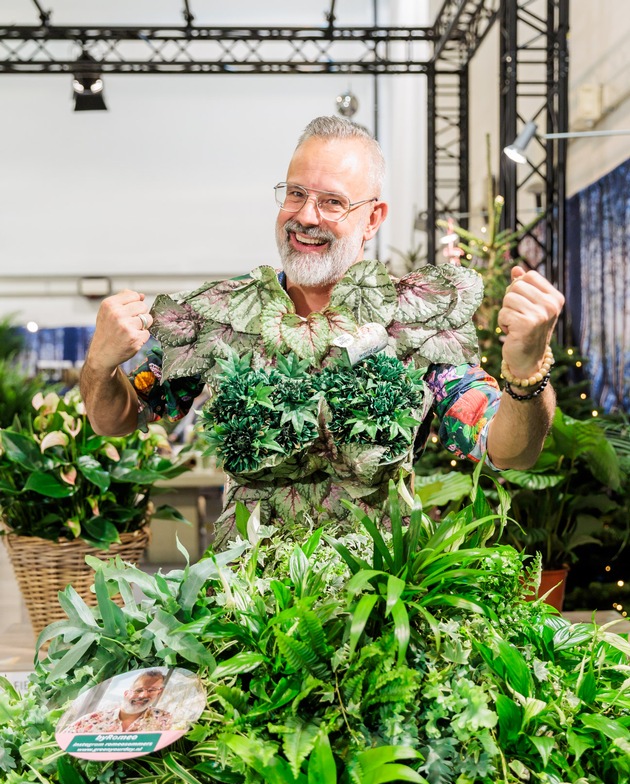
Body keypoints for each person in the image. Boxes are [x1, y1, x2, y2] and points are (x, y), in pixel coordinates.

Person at [80, 116, 564, 544]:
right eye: (296, 193)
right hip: (248, 607)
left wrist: (525, 374)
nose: (306, 216)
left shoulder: (416, 317)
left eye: (333, 202)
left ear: (372, 217)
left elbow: (505, 450)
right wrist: (101, 366)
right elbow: (120, 418)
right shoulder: (220, 317)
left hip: (377, 603)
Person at [62, 670, 172, 734]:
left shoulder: (165, 719)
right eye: (138, 690)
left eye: (151, 690)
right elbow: (65, 739)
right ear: (126, 694)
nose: (143, 695)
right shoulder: (92, 719)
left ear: (158, 693)